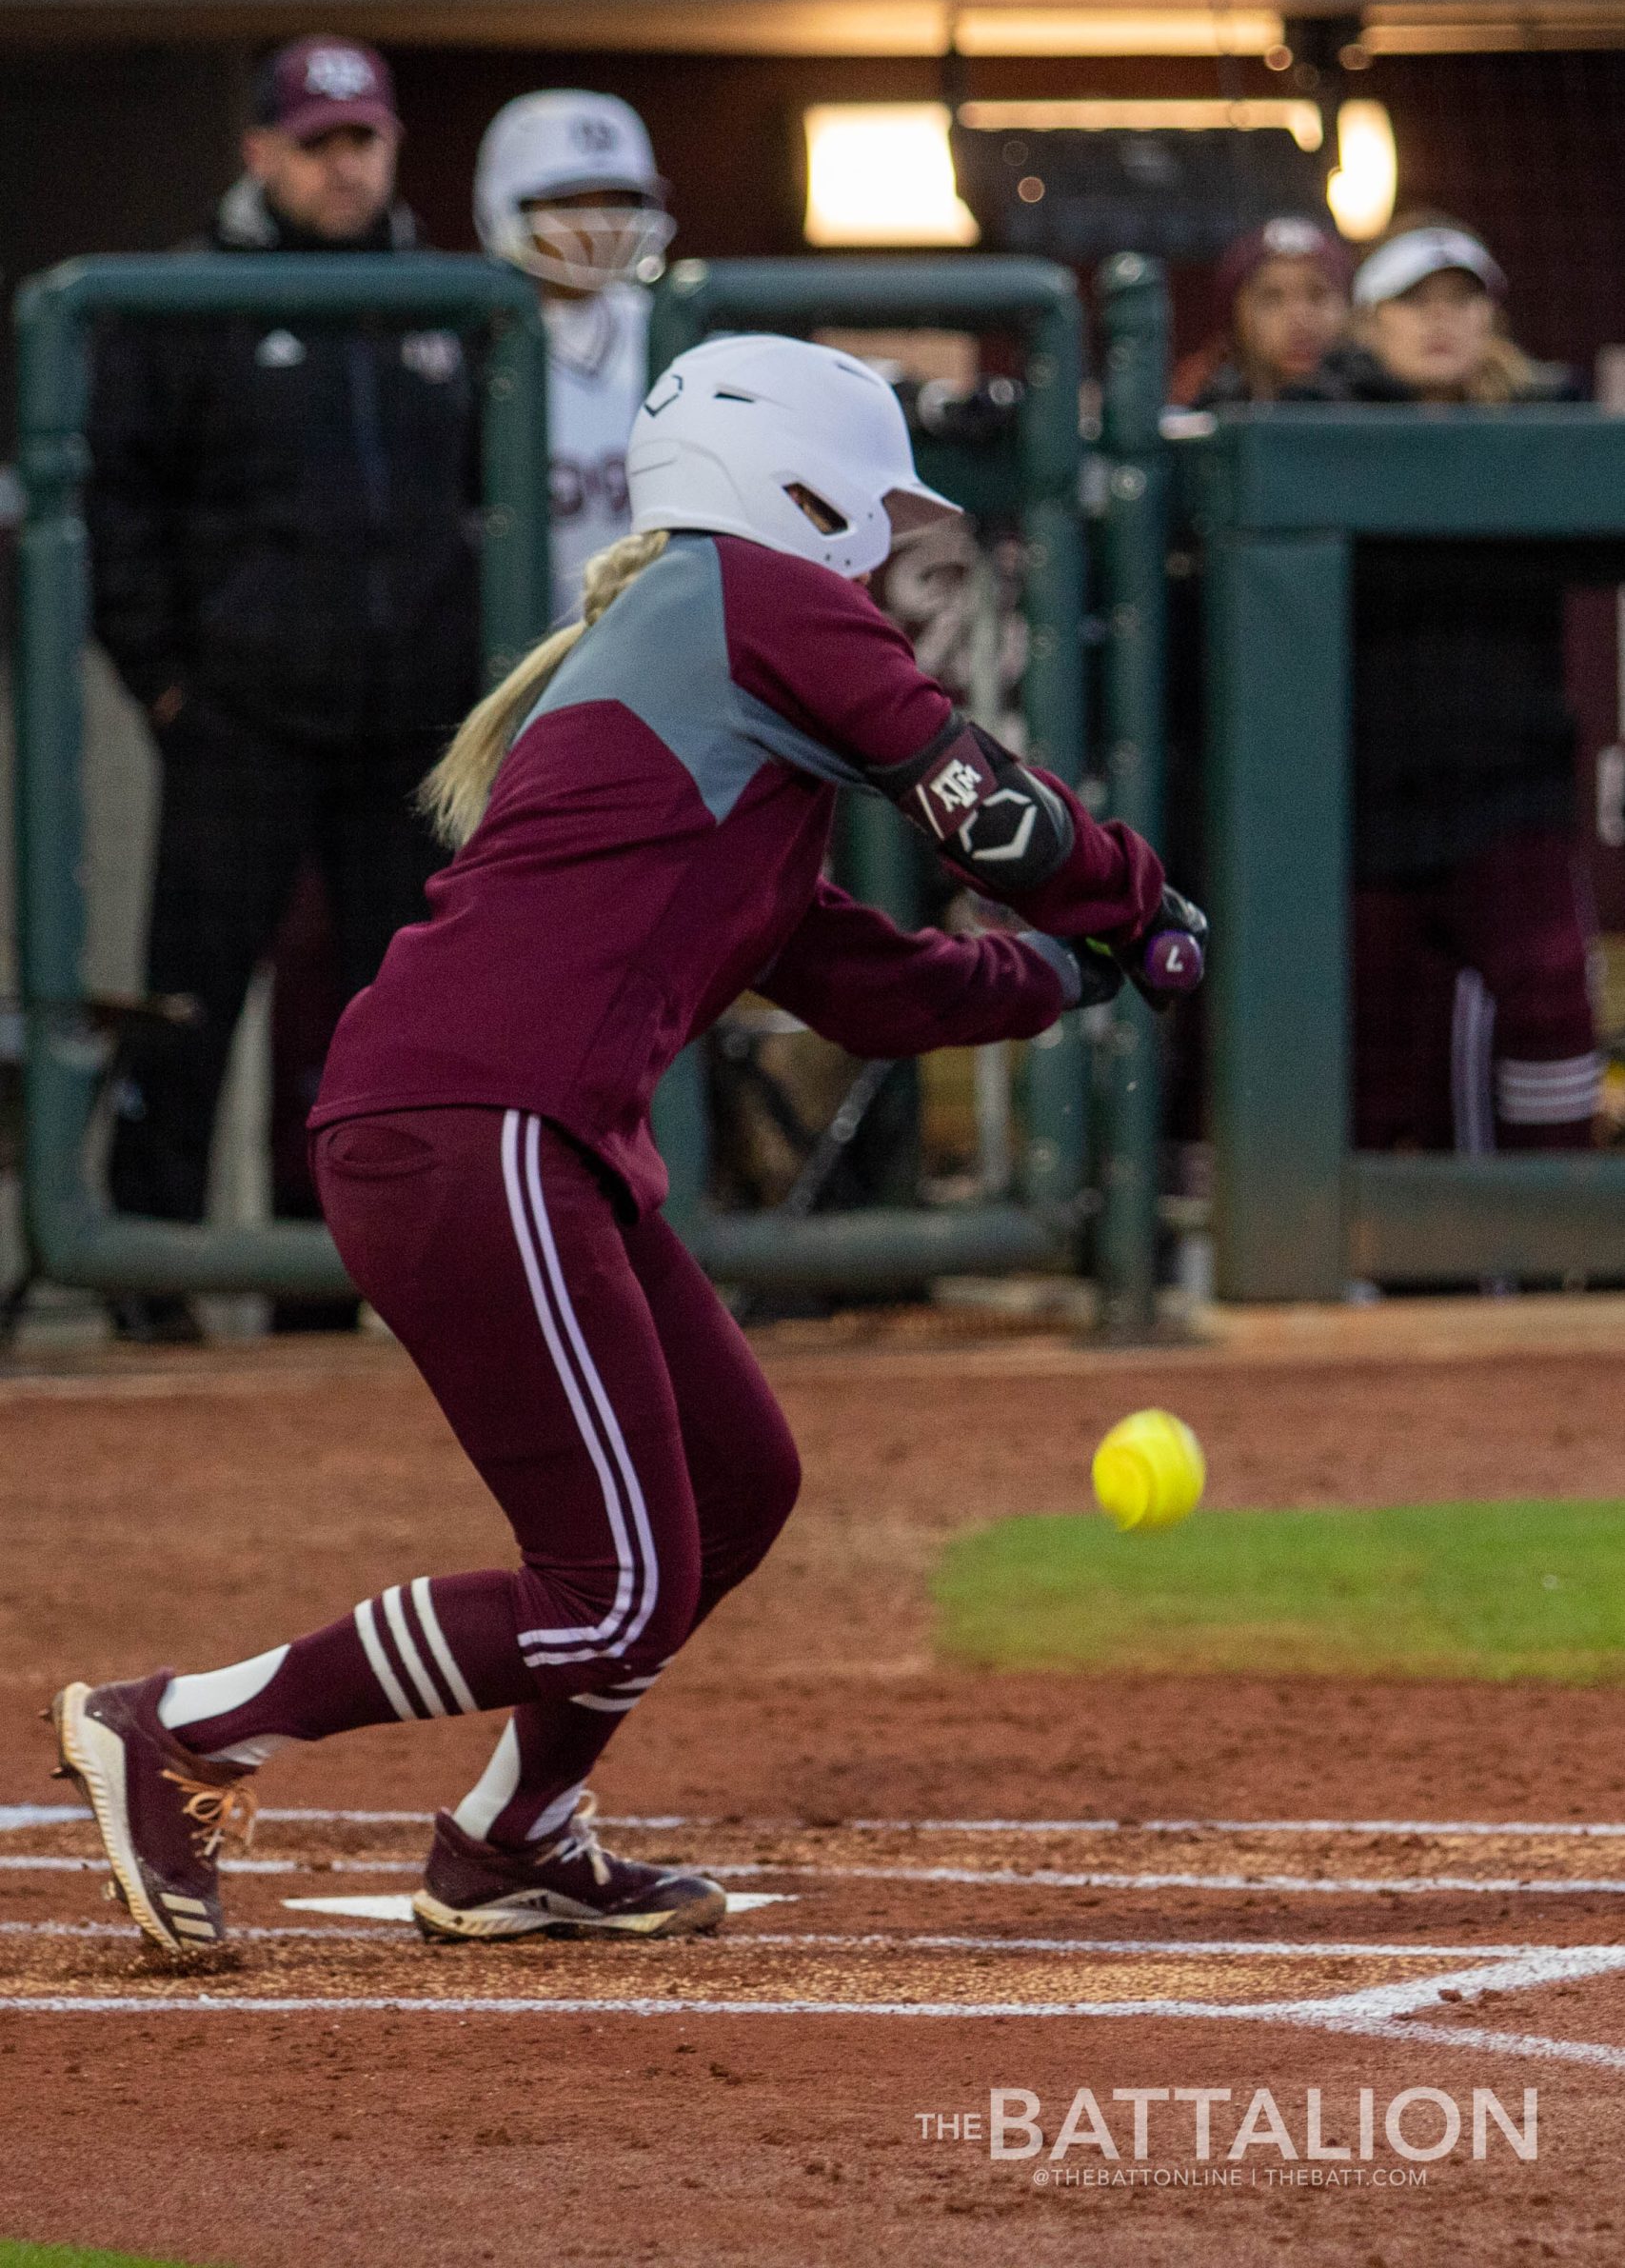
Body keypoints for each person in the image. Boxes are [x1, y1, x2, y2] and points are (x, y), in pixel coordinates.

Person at [50, 334, 1205, 1955]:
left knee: (737, 1482)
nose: (880, 538)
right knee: (606, 1588)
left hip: (513, 1134)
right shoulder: (756, 600)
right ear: (787, 480)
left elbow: (857, 981)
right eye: (867, 502)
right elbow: (984, 807)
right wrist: (1130, 906)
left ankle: (515, 1834)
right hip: (477, 1123)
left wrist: (1055, 974)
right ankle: (183, 1725)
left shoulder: (698, 650)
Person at [87, 36, 482, 1343]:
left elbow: (488, 500)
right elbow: (115, 506)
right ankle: (150, 1283)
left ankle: (339, 1290)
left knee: (393, 1025)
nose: (342, 166)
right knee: (191, 1005)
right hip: (243, 722)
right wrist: (163, 685)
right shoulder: (181, 300)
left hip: (402, 731)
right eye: (314, 143)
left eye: (360, 139)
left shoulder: (448, 301)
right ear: (257, 151)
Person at [1348, 218, 1600, 1154]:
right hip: (1361, 794)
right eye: (1417, 301)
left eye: (1462, 300)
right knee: (1368, 1019)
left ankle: (1551, 1238)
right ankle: (1364, 1270)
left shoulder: (1548, 430)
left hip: (1509, 788)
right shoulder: (1319, 424)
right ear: (1371, 321)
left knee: (1548, 994)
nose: (1441, 321)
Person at [474, 90, 675, 624]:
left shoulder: (670, 325)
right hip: (523, 647)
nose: (598, 225)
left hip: (654, 636)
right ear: (508, 205)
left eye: (617, 201)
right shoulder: (468, 343)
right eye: (568, 203)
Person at [1171, 216, 1373, 408]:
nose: (1300, 318)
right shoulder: (1199, 421)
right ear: (1234, 318)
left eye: (1318, 295)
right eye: (1272, 298)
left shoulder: (1386, 410)